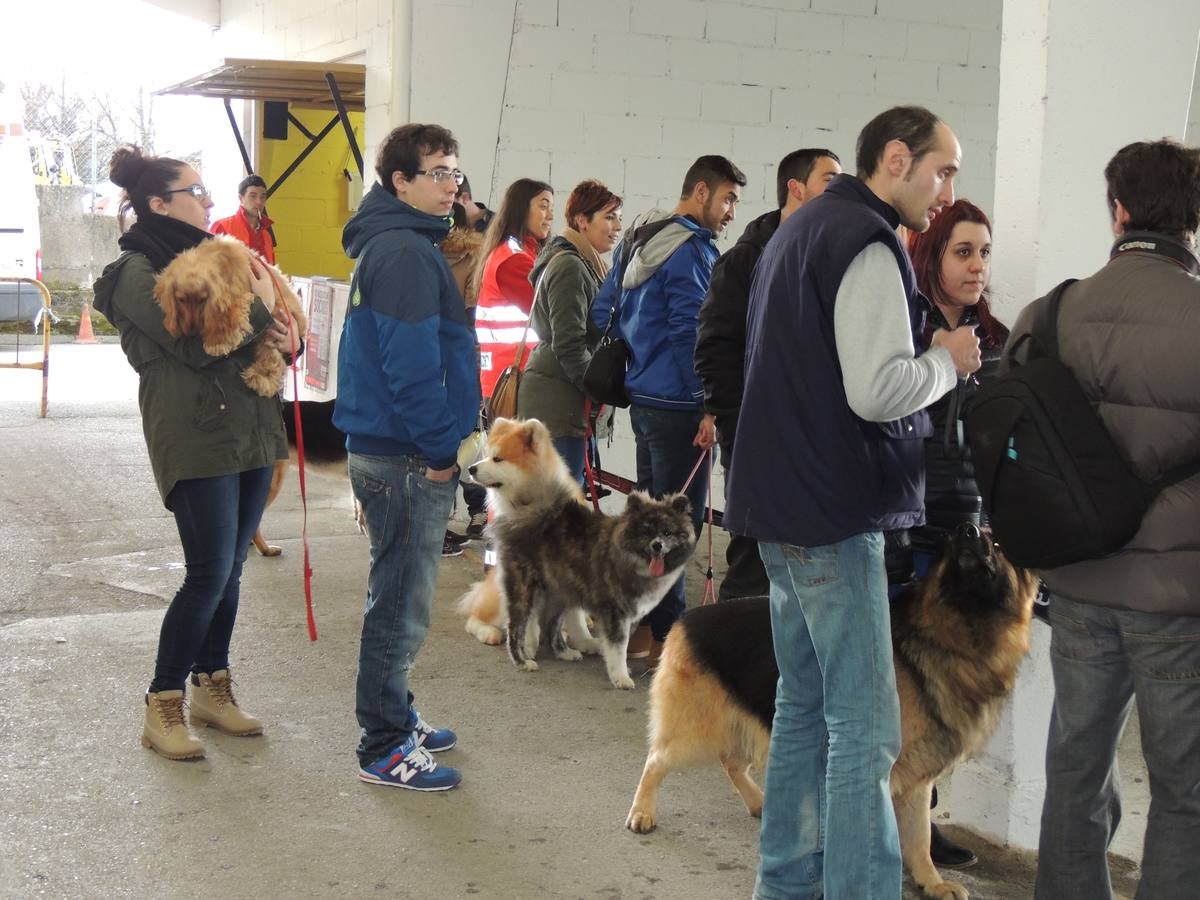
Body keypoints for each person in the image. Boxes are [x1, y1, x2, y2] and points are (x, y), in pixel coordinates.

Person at [726, 106, 981, 899]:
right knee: (868, 735)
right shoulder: (866, 244)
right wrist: (945, 361)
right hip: (832, 517)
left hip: (780, 506)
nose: (946, 192)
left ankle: (788, 885)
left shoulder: (800, 230)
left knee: (803, 709)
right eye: (942, 170)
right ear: (898, 159)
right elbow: (876, 392)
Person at [1028, 139, 1200, 900]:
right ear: (1191, 219)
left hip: (1081, 583)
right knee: (1185, 790)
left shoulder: (1054, 312)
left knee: (1075, 772)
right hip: (1177, 594)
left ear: (1119, 210)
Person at [92, 146, 296, 760]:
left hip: (252, 428)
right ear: (158, 204)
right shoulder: (136, 274)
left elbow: (263, 328)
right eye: (197, 191)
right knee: (206, 573)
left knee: (230, 571)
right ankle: (163, 704)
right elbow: (200, 346)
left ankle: (213, 686)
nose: (210, 201)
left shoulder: (221, 262)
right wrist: (262, 309)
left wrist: (282, 334)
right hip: (195, 434)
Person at [332, 124, 480, 791]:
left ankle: (396, 713)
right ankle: (384, 746)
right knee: (399, 602)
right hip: (405, 456)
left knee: (400, 596)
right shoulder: (404, 254)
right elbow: (411, 367)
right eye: (439, 172)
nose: (452, 184)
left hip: (396, 450)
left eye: (455, 172)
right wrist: (441, 451)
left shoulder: (400, 245)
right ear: (401, 182)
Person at [891, 198, 1010, 871]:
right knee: (901, 694)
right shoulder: (908, 328)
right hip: (908, 529)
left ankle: (921, 829)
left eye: (985, 252)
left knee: (946, 694)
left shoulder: (996, 339)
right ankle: (885, 824)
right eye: (963, 252)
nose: (977, 266)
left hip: (968, 534)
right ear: (934, 256)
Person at [590, 154, 746, 665]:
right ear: (700, 192)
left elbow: (600, 310)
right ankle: (671, 640)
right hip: (680, 404)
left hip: (644, 399)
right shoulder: (691, 250)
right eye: (727, 200)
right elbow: (692, 334)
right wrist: (709, 402)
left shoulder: (638, 238)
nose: (729, 213)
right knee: (678, 527)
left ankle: (640, 631)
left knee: (647, 524)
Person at [694, 147, 841, 603]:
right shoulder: (745, 260)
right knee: (754, 561)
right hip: (756, 436)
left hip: (810, 442)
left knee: (801, 568)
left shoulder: (828, 256)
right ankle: (732, 671)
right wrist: (740, 422)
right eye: (829, 181)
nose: (841, 192)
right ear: (796, 189)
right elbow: (714, 349)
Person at [516, 179, 622, 483]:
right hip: (557, 404)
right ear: (581, 221)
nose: (617, 226)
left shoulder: (587, 263)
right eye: (609, 216)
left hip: (565, 402)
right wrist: (600, 388)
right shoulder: (570, 266)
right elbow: (569, 343)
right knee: (556, 510)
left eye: (619, 218)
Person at [474, 178, 555, 402]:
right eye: (543, 206)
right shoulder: (513, 260)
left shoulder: (523, 253)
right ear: (521, 209)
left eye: (551, 208)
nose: (550, 216)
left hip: (516, 376)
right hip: (514, 379)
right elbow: (548, 313)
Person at [440, 199, 489, 553]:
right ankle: (475, 512)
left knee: (433, 442)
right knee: (469, 438)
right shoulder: (475, 258)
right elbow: (476, 309)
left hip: (427, 355)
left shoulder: (421, 255)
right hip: (463, 357)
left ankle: (438, 521)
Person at [211, 174, 275, 264]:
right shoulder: (222, 227)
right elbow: (208, 268)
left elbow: (272, 272)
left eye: (262, 197)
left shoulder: (267, 236)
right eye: (253, 196)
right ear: (241, 198)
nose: (259, 202)